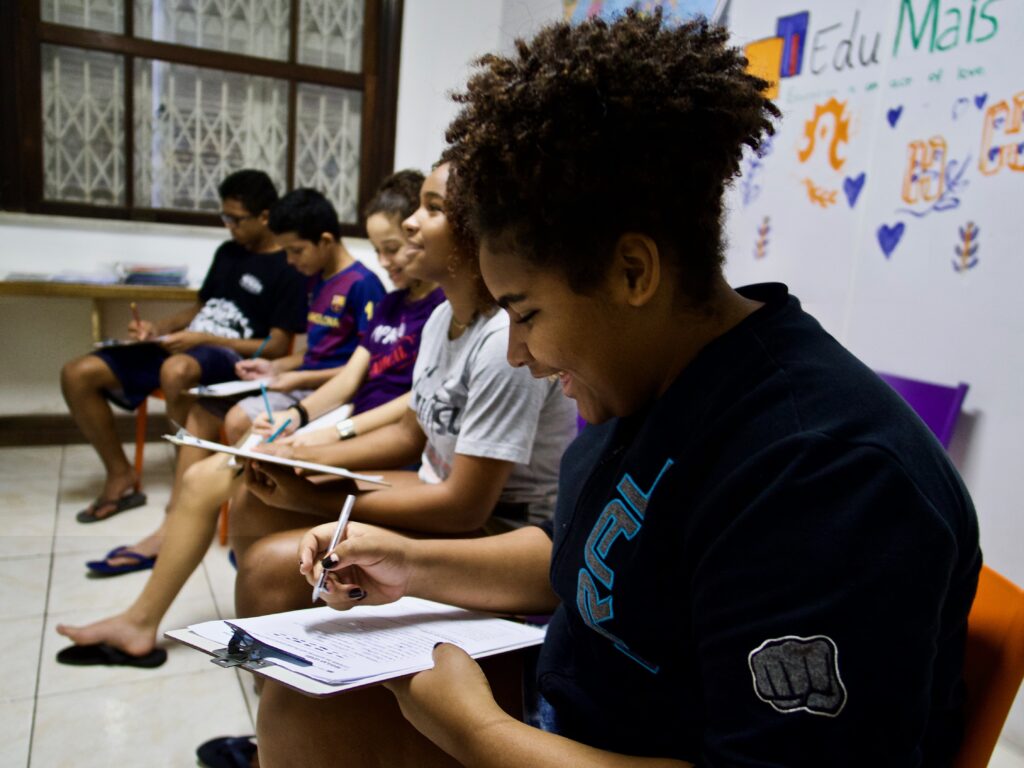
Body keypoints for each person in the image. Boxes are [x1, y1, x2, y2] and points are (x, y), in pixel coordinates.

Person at [250, 12, 981, 768]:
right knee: (303, 697)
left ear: (634, 273)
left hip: (606, 736)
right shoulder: (645, 388)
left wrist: (482, 734)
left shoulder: (823, 476)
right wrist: (410, 562)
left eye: (526, 312)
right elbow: (586, 564)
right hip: (574, 702)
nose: (521, 353)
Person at [55, 170, 444, 664]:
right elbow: (348, 379)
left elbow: (412, 405)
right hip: (346, 420)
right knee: (205, 476)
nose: (387, 261)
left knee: (242, 478)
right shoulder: (392, 302)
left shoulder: (434, 307)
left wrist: (319, 435)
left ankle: (185, 616)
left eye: (395, 247)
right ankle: (142, 619)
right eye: (381, 249)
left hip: (371, 438)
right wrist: (296, 417)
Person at [83, 186, 391, 574]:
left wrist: (293, 375)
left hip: (323, 394)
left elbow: (357, 369)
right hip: (298, 381)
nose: (291, 262)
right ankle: (175, 523)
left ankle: (243, 528)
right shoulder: (317, 278)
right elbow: (318, 351)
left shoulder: (363, 285)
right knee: (200, 413)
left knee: (239, 421)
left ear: (325, 241)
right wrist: (277, 368)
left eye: (296, 251)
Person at [61, 169, 307, 523]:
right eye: (224, 217)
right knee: (78, 373)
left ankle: (186, 481)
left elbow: (274, 346)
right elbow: (200, 307)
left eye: (235, 219)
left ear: (264, 216)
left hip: (229, 357)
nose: (228, 226)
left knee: (176, 369)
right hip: (186, 345)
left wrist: (205, 339)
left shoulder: (289, 265)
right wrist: (156, 329)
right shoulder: (228, 252)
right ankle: (120, 473)